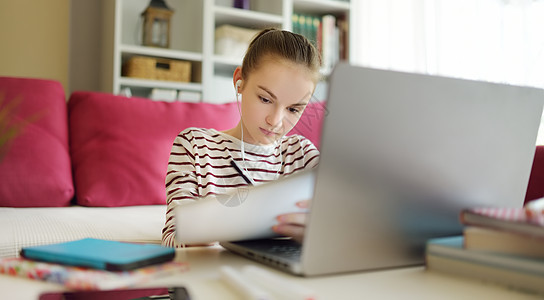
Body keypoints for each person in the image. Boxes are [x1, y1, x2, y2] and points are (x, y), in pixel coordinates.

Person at [161, 28, 322, 247]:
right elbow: (172, 239)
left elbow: (347, 228)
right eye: (265, 99)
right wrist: (218, 227)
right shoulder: (195, 147)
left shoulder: (302, 155)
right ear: (240, 82)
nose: (275, 121)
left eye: (293, 109)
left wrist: (317, 236)